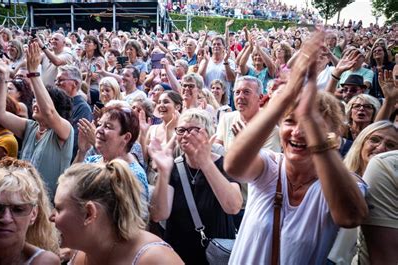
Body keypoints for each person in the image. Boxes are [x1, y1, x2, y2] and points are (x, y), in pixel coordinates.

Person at [225, 31, 368, 264]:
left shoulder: (343, 182)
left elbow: (350, 216)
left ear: (333, 135)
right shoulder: (270, 166)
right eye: (290, 121)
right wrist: (289, 92)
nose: (298, 132)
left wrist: (310, 121)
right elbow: (234, 166)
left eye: (311, 124)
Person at [149, 109, 242, 265]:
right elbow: (159, 215)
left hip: (214, 255)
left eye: (194, 130)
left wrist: (205, 163)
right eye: (181, 130)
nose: (186, 134)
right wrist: (164, 173)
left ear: (208, 134)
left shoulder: (223, 164)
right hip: (179, 255)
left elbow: (233, 207)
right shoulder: (172, 166)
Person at [51, 160, 183, 265]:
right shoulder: (82, 250)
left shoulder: (155, 259)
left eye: (58, 209)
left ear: (89, 214)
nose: (51, 217)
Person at [0, 43, 74, 199]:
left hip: (48, 206)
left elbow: (49, 112)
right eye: (34, 100)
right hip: (23, 201)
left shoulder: (64, 130)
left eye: (39, 101)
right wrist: (3, 77)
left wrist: (34, 73)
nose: (35, 104)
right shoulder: (30, 127)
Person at [74, 105, 149, 204]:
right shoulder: (92, 160)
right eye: (99, 124)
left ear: (126, 137)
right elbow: (71, 186)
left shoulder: (133, 175)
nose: (98, 130)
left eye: (108, 127)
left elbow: (135, 217)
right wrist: (82, 151)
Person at [355, 150, 398, 265]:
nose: (380, 147)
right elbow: (385, 257)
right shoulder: (388, 165)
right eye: (374, 140)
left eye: (390, 145)